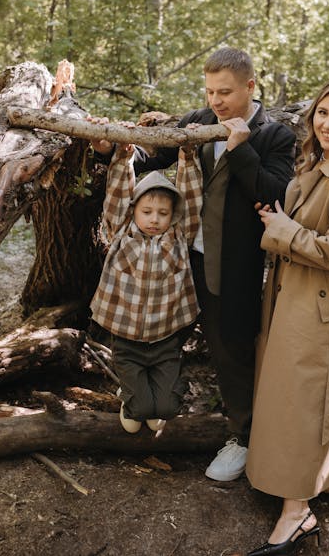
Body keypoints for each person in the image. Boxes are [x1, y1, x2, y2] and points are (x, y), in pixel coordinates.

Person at [134, 47, 296, 480]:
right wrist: (111, 148)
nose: (215, 101)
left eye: (224, 92)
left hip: (236, 267)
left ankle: (243, 438)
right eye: (209, 91)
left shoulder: (273, 136)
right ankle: (145, 404)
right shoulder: (199, 121)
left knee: (232, 352)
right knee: (156, 331)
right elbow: (151, 160)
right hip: (181, 259)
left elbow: (274, 196)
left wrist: (242, 151)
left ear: (249, 86)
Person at [245, 76, 329, 555]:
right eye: (323, 113)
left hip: (324, 306)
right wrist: (282, 221)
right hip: (299, 295)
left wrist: (284, 230)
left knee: (304, 400)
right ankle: (319, 478)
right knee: (296, 394)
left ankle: (296, 514)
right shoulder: (321, 162)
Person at [89, 137, 199, 434]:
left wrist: (187, 158)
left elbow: (191, 198)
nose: (154, 219)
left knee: (164, 409)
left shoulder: (178, 235)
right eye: (147, 212)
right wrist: (123, 159)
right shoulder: (122, 231)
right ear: (134, 210)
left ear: (172, 215)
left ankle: (149, 394)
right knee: (138, 415)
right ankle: (133, 397)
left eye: (163, 213)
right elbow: (117, 195)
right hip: (127, 340)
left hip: (165, 340)